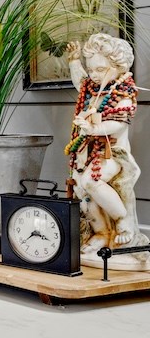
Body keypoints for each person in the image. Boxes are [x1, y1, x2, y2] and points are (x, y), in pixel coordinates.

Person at [65, 33, 147, 265]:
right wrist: (74, 61)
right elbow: (79, 81)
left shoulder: (123, 92)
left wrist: (92, 128)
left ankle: (122, 220)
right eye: (91, 69)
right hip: (86, 154)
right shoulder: (91, 88)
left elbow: (118, 124)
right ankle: (101, 233)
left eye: (100, 70)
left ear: (118, 66)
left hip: (111, 155)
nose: (93, 75)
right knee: (85, 194)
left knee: (92, 181)